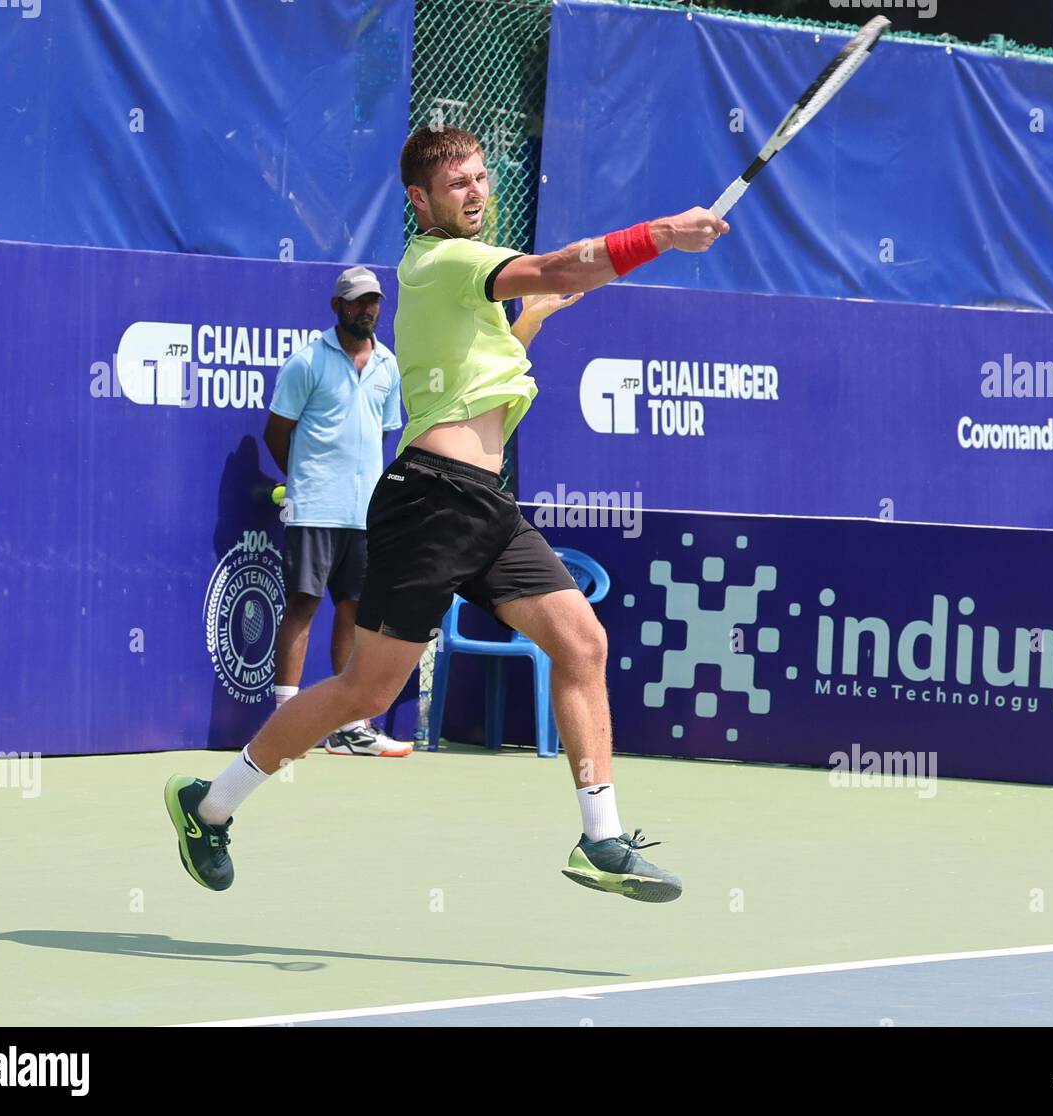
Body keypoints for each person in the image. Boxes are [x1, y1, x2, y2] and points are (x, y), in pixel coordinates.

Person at [165, 125, 728, 901]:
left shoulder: (470, 290)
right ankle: (211, 805)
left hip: (485, 507)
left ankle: (601, 839)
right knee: (365, 692)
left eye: (480, 178)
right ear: (419, 200)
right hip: (430, 499)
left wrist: (556, 299)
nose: (475, 191)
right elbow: (559, 265)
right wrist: (662, 234)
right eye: (457, 183)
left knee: (583, 643)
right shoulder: (442, 261)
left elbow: (536, 304)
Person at [263, 265, 411, 758]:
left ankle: (351, 729)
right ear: (337, 307)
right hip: (314, 508)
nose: (365, 309)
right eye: (355, 302)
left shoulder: (389, 367)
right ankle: (286, 725)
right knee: (303, 606)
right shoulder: (307, 363)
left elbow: (383, 434)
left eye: (372, 302)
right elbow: (277, 432)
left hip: (364, 514)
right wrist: (306, 481)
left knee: (354, 612)